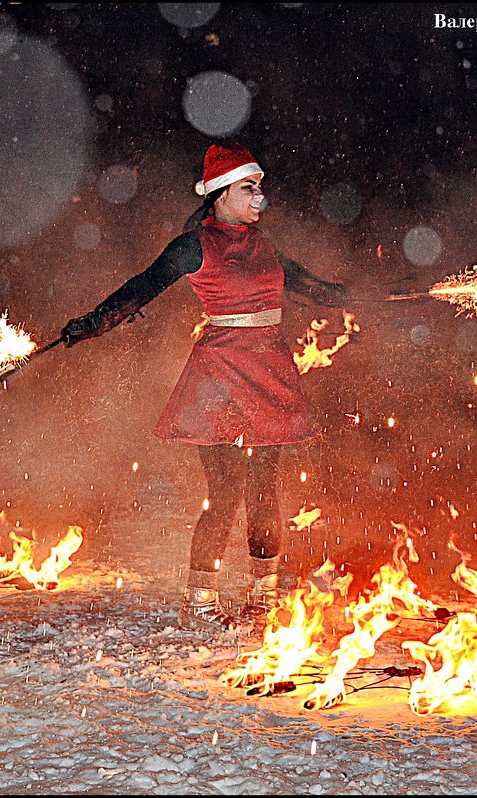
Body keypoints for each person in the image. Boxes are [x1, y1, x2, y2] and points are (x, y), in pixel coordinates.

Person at [61, 142, 350, 632]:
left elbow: (317, 288)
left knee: (264, 490)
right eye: (248, 188)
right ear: (219, 194)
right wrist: (92, 323)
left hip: (270, 372)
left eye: (260, 188)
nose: (261, 198)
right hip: (220, 377)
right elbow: (139, 288)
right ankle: (199, 601)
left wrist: (372, 294)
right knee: (227, 491)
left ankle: (263, 596)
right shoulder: (194, 245)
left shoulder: (266, 246)